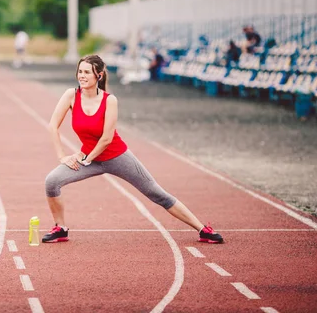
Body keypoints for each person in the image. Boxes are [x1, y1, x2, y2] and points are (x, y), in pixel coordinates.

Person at [42, 54, 224, 244]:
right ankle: (61, 228)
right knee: (52, 181)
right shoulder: (71, 95)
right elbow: (53, 125)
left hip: (116, 156)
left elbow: (106, 138)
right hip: (88, 158)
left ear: (99, 75)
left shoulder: (109, 100)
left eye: (87, 72)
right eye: (80, 71)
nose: (82, 76)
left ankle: (203, 229)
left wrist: (86, 158)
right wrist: (63, 156)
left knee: (157, 193)